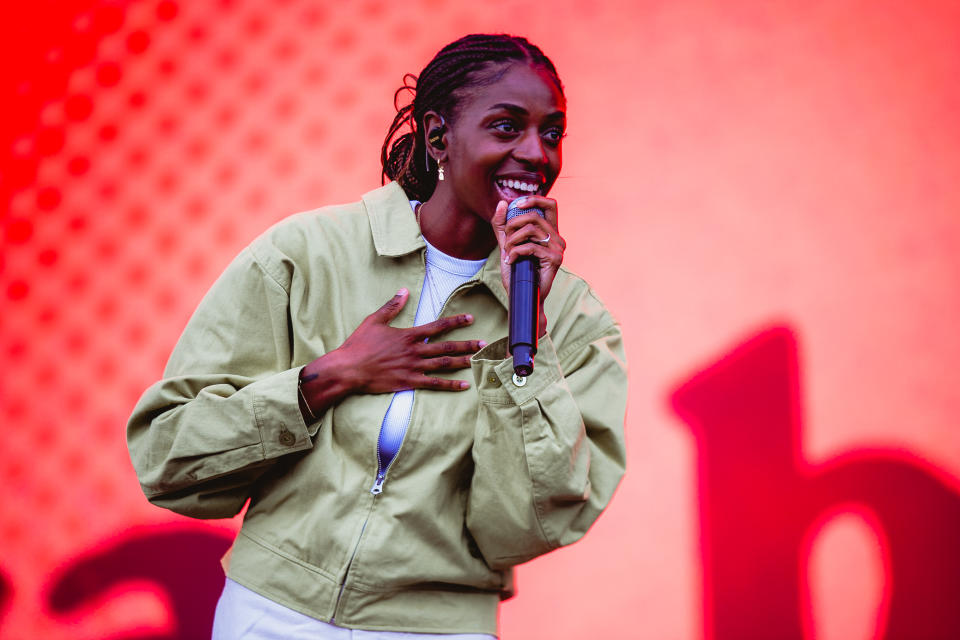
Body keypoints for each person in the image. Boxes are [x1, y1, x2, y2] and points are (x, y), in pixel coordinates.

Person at [127, 33, 627, 639]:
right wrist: (328, 377)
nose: (536, 154)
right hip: (271, 615)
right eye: (506, 127)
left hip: (438, 629)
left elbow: (525, 529)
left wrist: (529, 347)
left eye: (551, 133)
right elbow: (169, 456)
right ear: (439, 136)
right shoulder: (306, 254)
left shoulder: (574, 320)